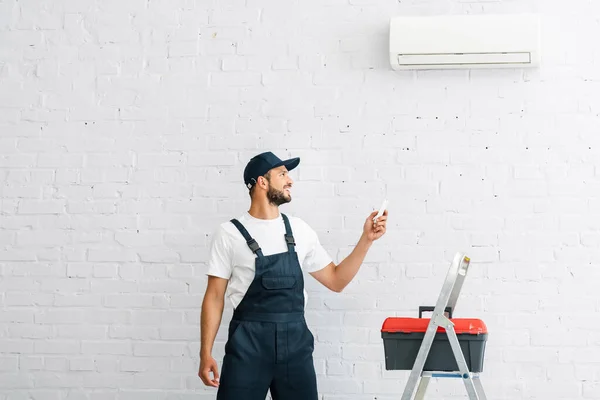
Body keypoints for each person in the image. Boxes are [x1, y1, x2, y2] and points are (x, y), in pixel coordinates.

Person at [198, 151, 388, 400]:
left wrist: (367, 240)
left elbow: (336, 280)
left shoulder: (299, 230)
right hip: (247, 346)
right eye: (282, 174)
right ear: (261, 182)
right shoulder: (229, 234)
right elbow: (214, 297)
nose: (290, 180)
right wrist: (205, 352)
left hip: (295, 348)